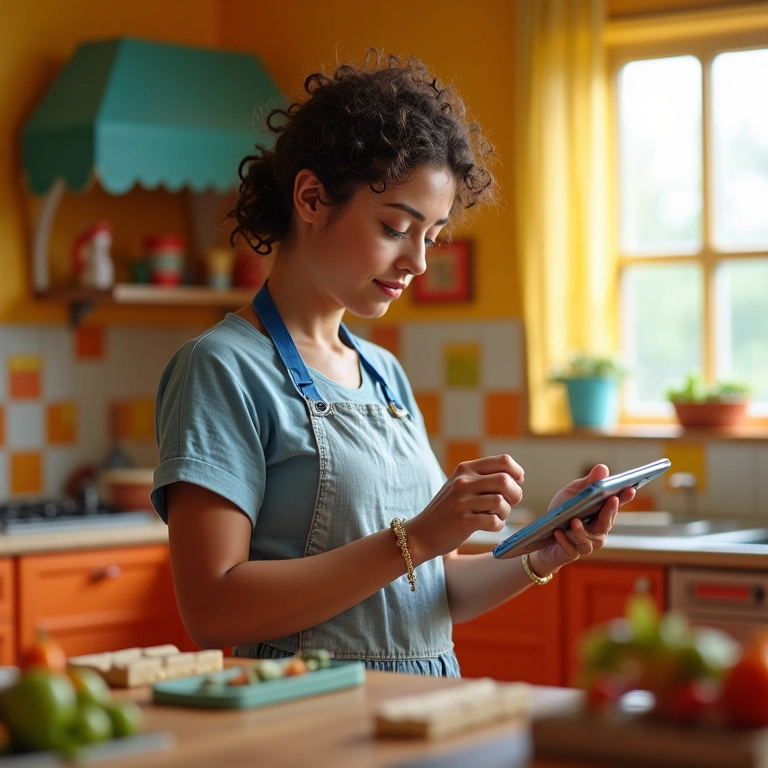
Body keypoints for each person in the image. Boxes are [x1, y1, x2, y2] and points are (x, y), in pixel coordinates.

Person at [151, 51, 633, 677]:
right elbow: (212, 609)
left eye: (430, 236)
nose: (418, 262)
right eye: (395, 227)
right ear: (312, 197)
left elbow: (426, 591)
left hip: (422, 705)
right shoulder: (221, 369)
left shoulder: (383, 372)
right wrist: (421, 538)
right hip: (311, 718)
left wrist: (539, 549)